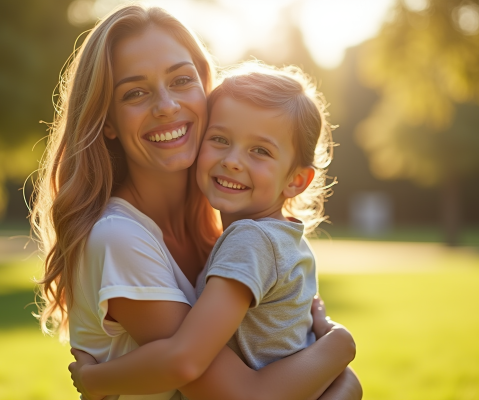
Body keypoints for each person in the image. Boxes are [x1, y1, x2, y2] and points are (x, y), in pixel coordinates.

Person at [30, 4, 361, 400]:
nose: (166, 105)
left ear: (207, 91)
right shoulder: (120, 238)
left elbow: (317, 372)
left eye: (182, 80)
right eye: (135, 92)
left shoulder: (228, 227)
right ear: (108, 121)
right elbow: (241, 393)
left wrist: (340, 351)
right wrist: (339, 352)